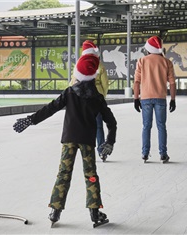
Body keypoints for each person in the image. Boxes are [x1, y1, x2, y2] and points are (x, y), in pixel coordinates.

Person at [13, 54, 117, 227]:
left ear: (78, 74)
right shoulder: (98, 97)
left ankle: (55, 210)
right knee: (91, 175)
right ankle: (95, 213)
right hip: (87, 141)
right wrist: (109, 141)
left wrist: (31, 120)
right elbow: (111, 122)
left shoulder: (70, 92)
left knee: (63, 173)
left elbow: (50, 108)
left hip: (69, 139)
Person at [133, 36, 176, 163]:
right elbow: (172, 83)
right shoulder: (166, 62)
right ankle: (163, 154)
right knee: (161, 126)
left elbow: (136, 82)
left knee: (146, 126)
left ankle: (145, 154)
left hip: (145, 98)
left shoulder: (142, 61)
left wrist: (136, 98)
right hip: (160, 98)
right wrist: (173, 99)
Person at [70, 40, 109, 161]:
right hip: (96, 99)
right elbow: (105, 84)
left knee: (84, 125)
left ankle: (85, 152)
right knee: (98, 126)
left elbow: (73, 82)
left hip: (82, 100)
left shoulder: (78, 65)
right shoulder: (100, 65)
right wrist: (102, 96)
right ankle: (102, 151)